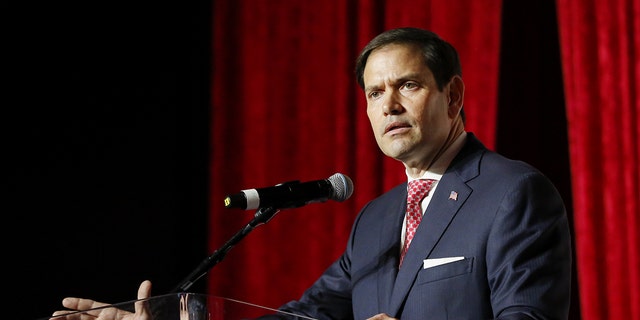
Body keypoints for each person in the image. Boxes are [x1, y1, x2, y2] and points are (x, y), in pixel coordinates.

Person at [53, 27, 572, 320]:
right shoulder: (376, 218)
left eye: (407, 86)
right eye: (374, 93)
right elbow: (308, 317)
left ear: (453, 96)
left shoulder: (513, 193)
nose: (388, 105)